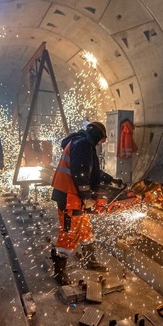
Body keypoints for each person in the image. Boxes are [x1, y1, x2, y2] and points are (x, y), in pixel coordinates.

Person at [50, 121, 114, 285]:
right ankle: (59, 271)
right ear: (98, 135)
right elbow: (80, 173)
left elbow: (91, 170)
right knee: (69, 233)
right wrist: (86, 197)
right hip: (69, 196)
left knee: (85, 229)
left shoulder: (82, 141)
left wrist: (110, 179)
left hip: (72, 194)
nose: (102, 143)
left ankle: (90, 260)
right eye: (102, 139)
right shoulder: (83, 143)